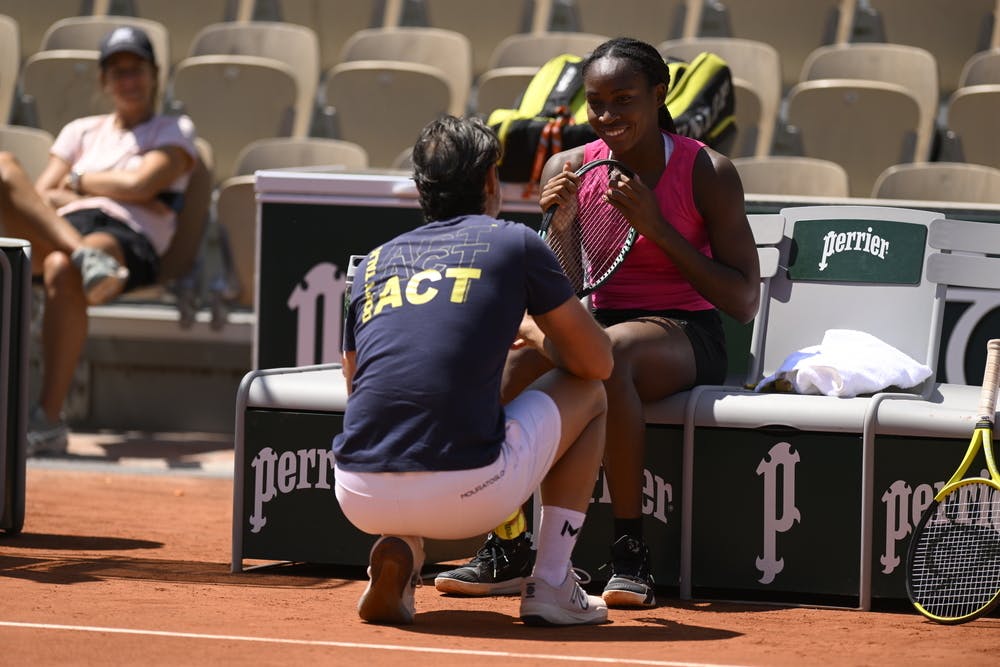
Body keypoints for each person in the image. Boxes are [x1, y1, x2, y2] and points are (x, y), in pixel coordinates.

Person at [434, 37, 761, 609]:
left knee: (613, 358)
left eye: (623, 100)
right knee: (500, 366)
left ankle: (631, 552)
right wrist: (559, 222)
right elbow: (563, 287)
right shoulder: (567, 166)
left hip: (688, 332)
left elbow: (743, 300)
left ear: (658, 96)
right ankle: (509, 542)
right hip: (600, 324)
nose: (607, 116)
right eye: (596, 102)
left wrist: (659, 228)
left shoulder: (708, 169)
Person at [332, 115, 614, 626]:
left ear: (420, 188)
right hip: (467, 497)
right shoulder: (514, 243)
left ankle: (402, 548)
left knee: (419, 407)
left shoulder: (372, 263)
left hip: (358, 491)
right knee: (590, 391)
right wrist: (531, 330)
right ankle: (551, 581)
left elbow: (357, 386)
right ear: (490, 182)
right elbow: (598, 360)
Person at [0, 26, 197, 456]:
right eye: (119, 71)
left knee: (59, 267)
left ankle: (47, 421)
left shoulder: (174, 129)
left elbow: (143, 184)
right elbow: (41, 193)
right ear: (104, 81)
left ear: (154, 75)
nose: (129, 80)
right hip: (69, 227)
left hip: (130, 237)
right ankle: (85, 256)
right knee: (3, 168)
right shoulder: (80, 130)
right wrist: (107, 187)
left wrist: (79, 180)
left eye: (137, 70)